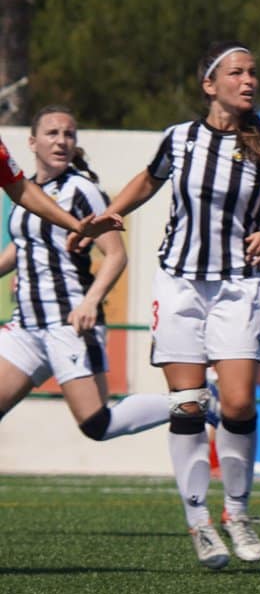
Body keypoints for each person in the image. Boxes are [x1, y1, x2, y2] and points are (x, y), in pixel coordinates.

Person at [94, 44, 260, 570]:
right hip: (181, 285)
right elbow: (149, 178)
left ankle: (237, 511)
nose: (249, 80)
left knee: (235, 405)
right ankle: (199, 524)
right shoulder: (180, 138)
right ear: (210, 84)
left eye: (254, 71)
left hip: (238, 287)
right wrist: (110, 213)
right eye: (237, 72)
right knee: (186, 404)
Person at [0, 107, 164, 439]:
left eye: (68, 134)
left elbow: (116, 255)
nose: (61, 141)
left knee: (96, 425)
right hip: (27, 325)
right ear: (32, 143)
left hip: (67, 319)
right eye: (52, 133)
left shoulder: (80, 190)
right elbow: (23, 245)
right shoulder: (27, 192)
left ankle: (193, 402)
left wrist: (90, 302)